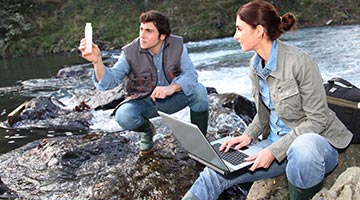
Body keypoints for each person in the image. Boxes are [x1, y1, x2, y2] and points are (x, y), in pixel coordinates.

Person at [182, 1, 353, 200]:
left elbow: (318, 120)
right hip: (274, 145)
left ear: (259, 31)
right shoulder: (255, 65)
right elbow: (263, 116)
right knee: (215, 170)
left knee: (303, 147)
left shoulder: (299, 62)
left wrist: (273, 151)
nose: (235, 36)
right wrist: (247, 136)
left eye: (239, 29)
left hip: (315, 146)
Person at [78, 10, 209, 156]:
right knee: (123, 115)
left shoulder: (177, 45)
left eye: (148, 31)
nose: (142, 35)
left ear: (162, 35)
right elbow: (109, 82)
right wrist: (97, 62)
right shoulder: (129, 52)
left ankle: (200, 142)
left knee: (200, 91)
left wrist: (172, 87)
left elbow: (190, 74)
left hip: (173, 98)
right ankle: (148, 132)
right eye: (141, 29)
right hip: (145, 103)